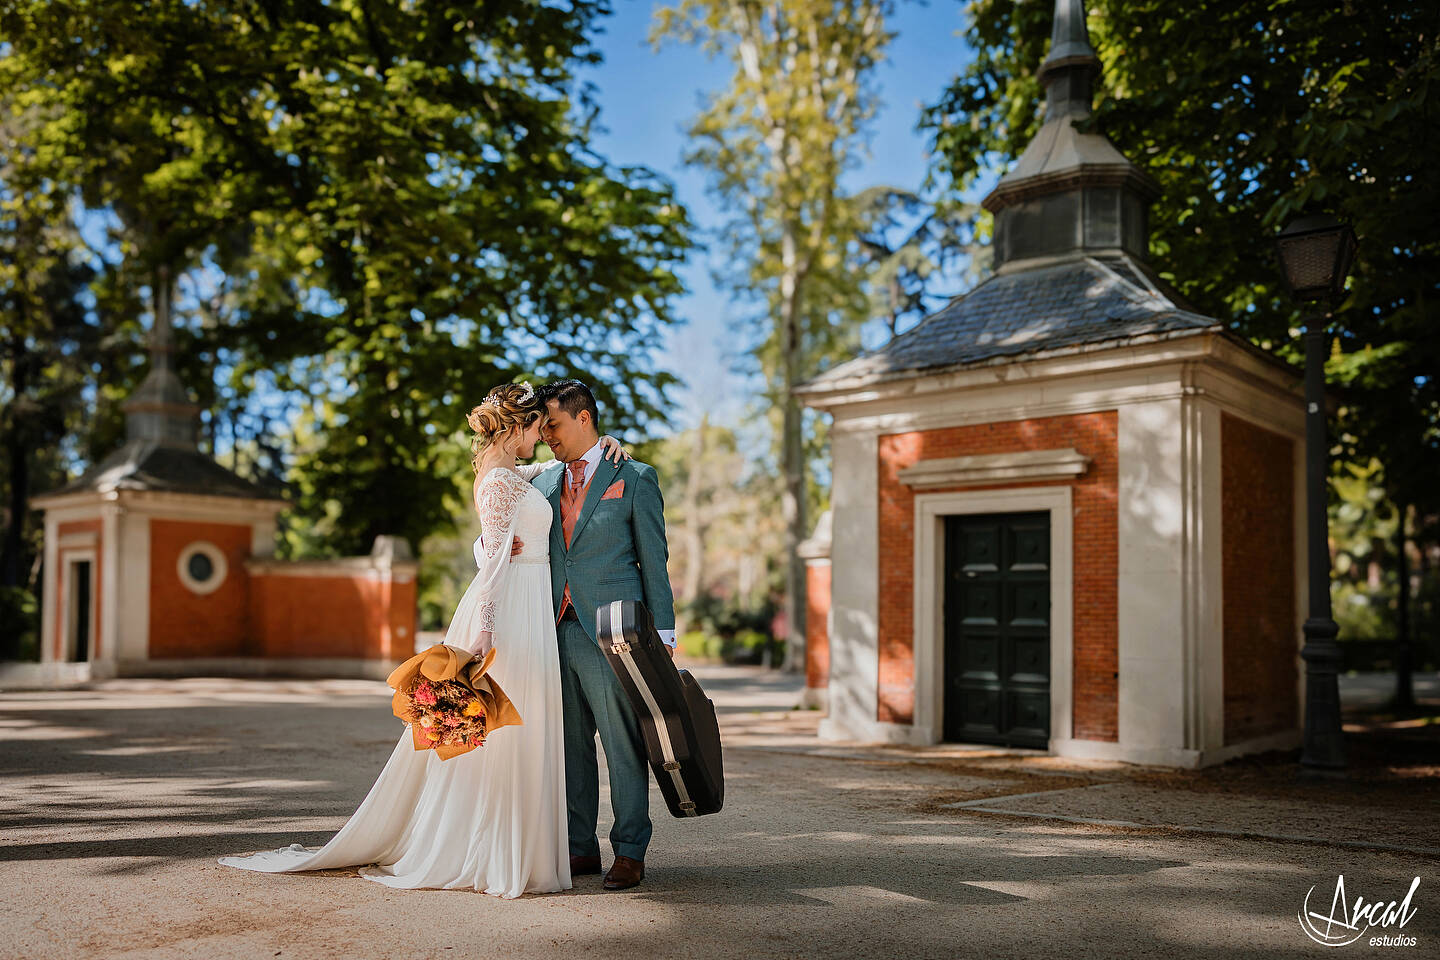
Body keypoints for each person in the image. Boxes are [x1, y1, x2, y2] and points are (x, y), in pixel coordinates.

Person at [217, 382, 628, 898]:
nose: (544, 437)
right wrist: (484, 633)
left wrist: (605, 444)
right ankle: (492, 851)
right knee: (501, 733)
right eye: (537, 426)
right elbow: (495, 562)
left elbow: (542, 479)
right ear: (518, 426)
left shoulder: (509, 475)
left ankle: (522, 850)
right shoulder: (499, 482)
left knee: (525, 731)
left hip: (532, 608)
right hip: (509, 612)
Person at [521, 379, 677, 892]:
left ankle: (630, 850)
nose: (545, 434)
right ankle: (579, 847)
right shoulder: (542, 483)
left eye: (553, 423)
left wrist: (666, 636)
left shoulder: (633, 476)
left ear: (584, 418)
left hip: (614, 635)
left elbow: (654, 559)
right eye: (541, 426)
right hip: (553, 630)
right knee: (569, 747)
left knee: (622, 744)